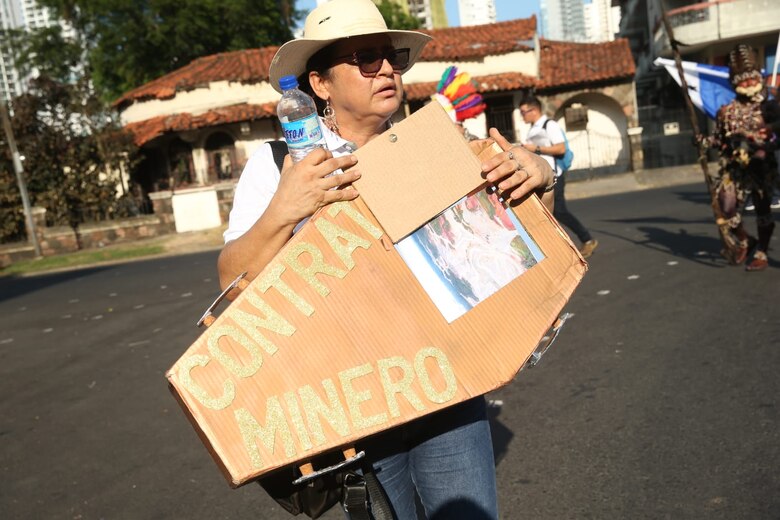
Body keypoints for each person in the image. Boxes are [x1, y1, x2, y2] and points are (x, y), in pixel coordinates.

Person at [216, 0, 557, 517]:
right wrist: (283, 212)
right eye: (365, 59)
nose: (387, 70)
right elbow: (231, 284)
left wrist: (539, 175)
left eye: (391, 57)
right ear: (321, 84)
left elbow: (523, 240)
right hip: (355, 400)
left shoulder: (437, 142)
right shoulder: (275, 164)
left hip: (449, 376)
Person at [700, 44, 779, 271]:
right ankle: (745, 239)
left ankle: (762, 252)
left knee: (763, 209)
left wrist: (764, 142)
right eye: (742, 80)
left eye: (751, 79)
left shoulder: (770, 108)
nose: (748, 84)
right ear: (735, 83)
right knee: (726, 206)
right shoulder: (726, 112)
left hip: (763, 167)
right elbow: (718, 140)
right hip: (735, 170)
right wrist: (703, 141)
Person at [519, 95, 599, 258]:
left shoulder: (550, 125)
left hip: (554, 175)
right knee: (547, 212)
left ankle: (587, 240)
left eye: (523, 112)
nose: (522, 116)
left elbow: (560, 149)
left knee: (559, 211)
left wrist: (536, 149)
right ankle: (555, 250)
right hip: (542, 176)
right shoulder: (534, 128)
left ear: (534, 110)